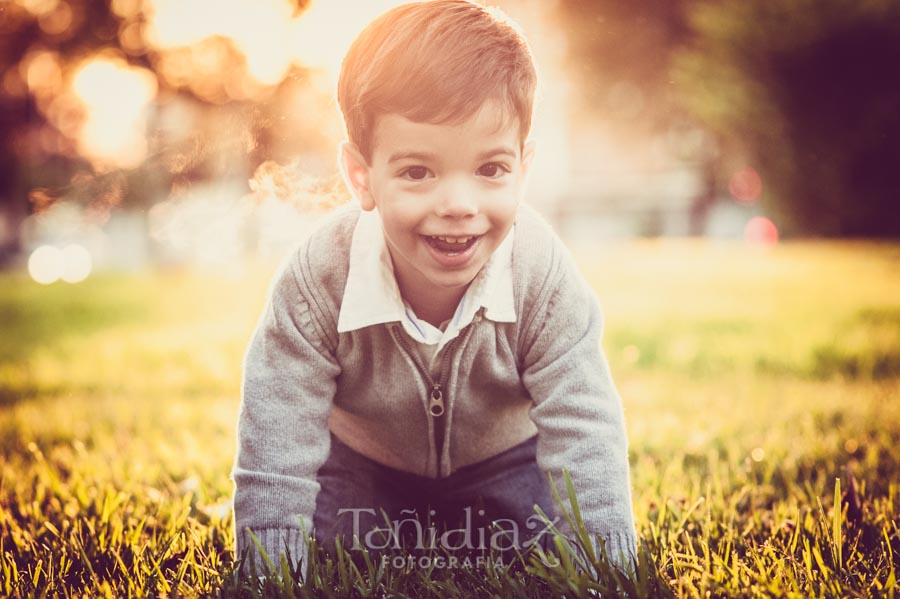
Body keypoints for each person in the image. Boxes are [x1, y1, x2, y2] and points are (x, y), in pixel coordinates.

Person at [231, 0, 636, 581]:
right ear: (361, 177)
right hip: (363, 470)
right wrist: (269, 573)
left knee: (529, 547)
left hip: (505, 464)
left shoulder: (541, 274)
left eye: (490, 170)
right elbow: (277, 431)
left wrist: (609, 571)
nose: (458, 206)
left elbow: (585, 425)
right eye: (418, 172)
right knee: (344, 550)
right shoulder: (319, 277)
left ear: (523, 169)